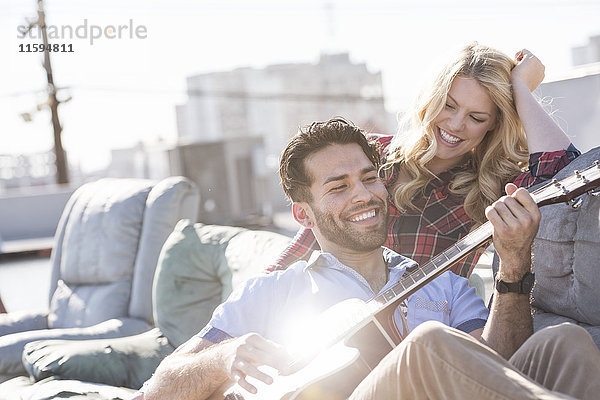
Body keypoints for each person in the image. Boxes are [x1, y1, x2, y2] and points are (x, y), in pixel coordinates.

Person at [139, 119, 600, 400]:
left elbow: (498, 367)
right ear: (304, 213)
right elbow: (156, 392)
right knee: (428, 344)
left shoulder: (444, 283)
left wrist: (515, 263)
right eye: (338, 187)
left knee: (565, 342)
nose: (364, 195)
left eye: (369, 177)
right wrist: (225, 359)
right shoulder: (275, 291)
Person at [271, 43, 579, 278]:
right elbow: (306, 242)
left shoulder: (495, 188)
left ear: (494, 125)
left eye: (476, 116)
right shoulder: (370, 155)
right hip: (338, 320)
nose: (456, 124)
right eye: (448, 105)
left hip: (424, 335)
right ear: (431, 98)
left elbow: (568, 172)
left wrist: (520, 87)